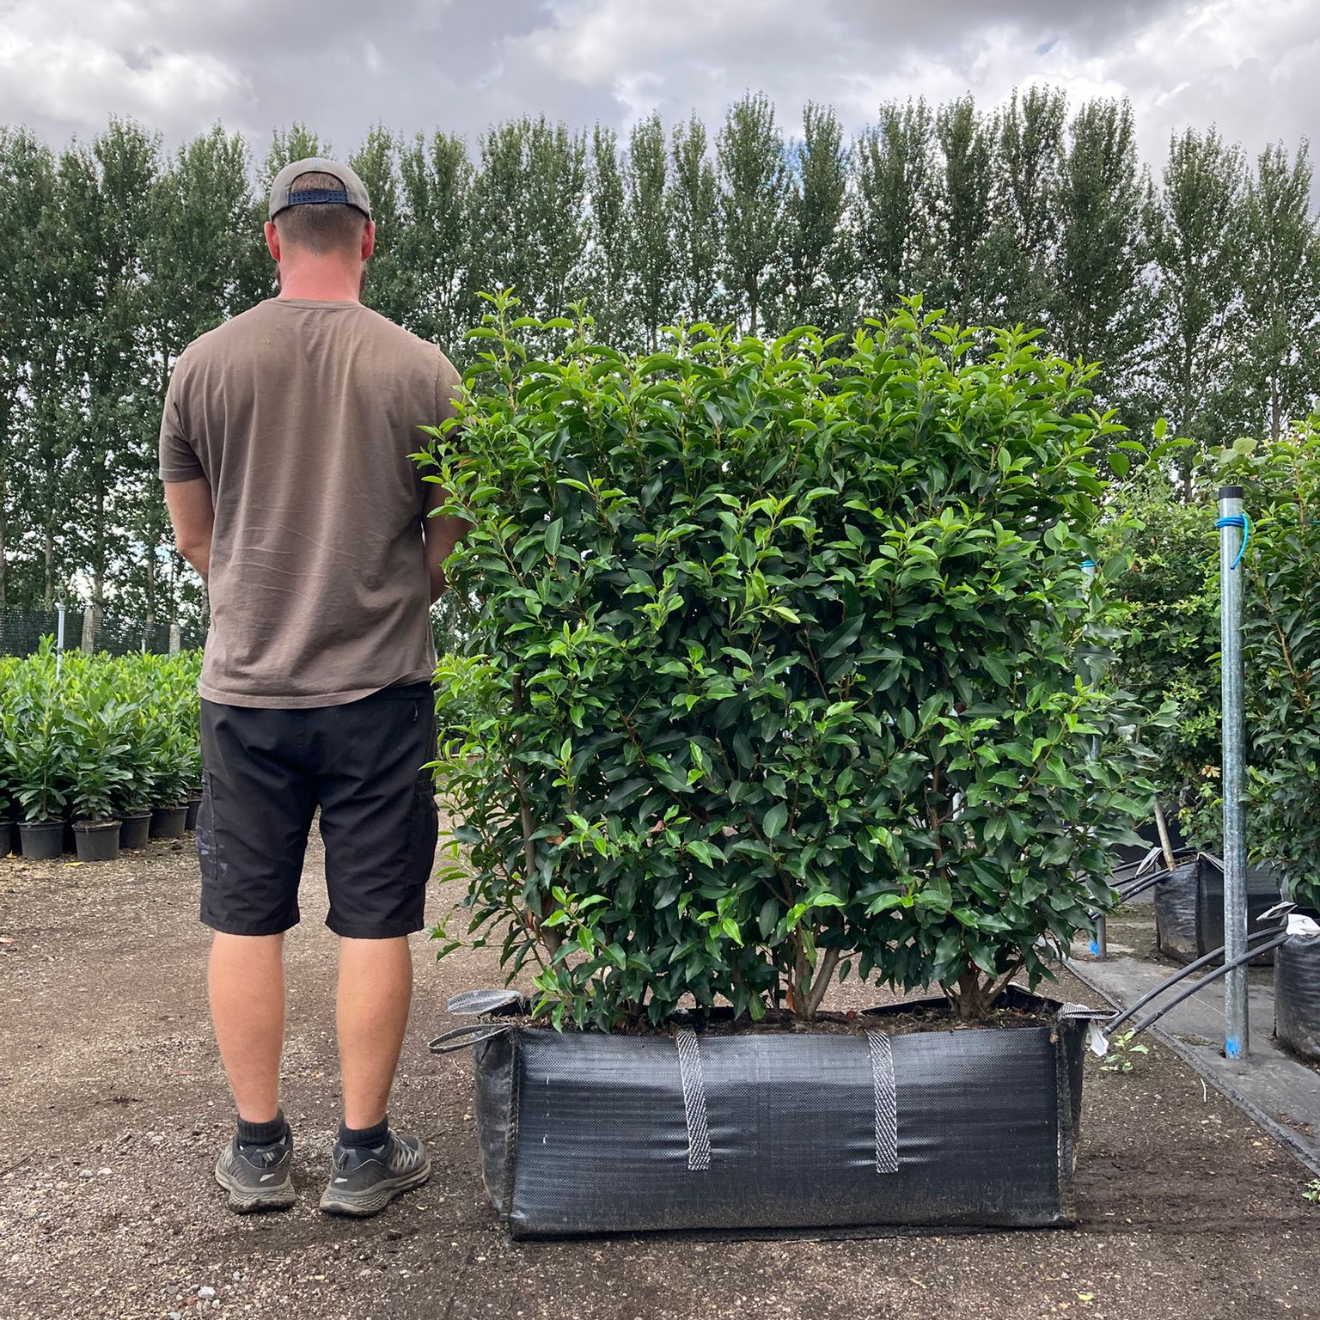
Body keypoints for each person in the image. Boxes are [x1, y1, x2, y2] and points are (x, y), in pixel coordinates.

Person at [159, 156, 465, 1217]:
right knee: (376, 919)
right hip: (379, 690)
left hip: (246, 688)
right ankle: (362, 1155)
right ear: (368, 239)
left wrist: (260, 594)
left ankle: (256, 1151)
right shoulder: (425, 372)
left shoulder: (203, 365)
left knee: (245, 919)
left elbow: (196, 540)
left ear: (271, 236)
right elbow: (447, 543)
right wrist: (385, 593)